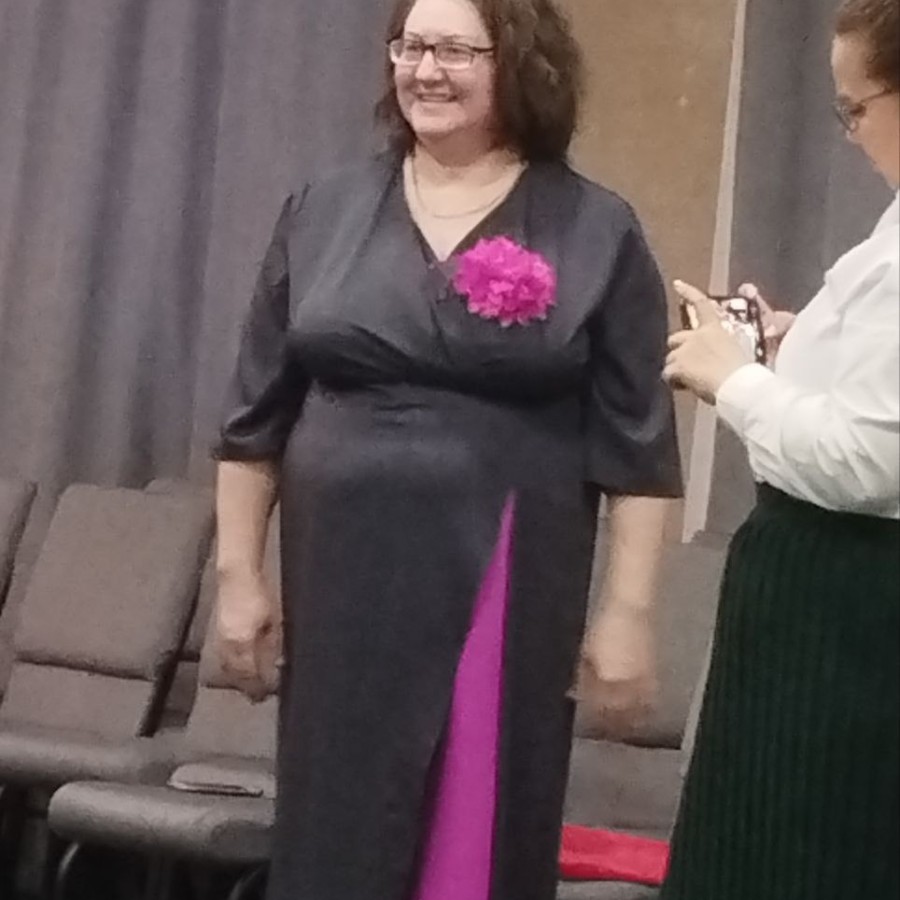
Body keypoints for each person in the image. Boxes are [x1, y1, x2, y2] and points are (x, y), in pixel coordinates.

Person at [212, 0, 683, 898]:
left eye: (457, 50)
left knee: (472, 823)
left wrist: (626, 613)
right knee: (336, 820)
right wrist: (239, 576)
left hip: (504, 567)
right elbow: (251, 420)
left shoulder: (597, 227)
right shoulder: (321, 209)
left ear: (520, 63)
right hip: (341, 577)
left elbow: (639, 449)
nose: (426, 70)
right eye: (412, 46)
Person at [661, 0, 899, 896]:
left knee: (798, 860)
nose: (849, 132)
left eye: (855, 108)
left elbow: (864, 462)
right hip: (825, 596)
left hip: (846, 607)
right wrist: (799, 346)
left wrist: (735, 381)